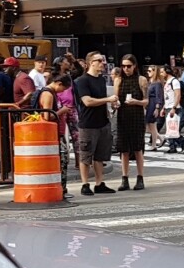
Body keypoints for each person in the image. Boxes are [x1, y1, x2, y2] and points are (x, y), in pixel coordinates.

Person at [72, 51, 119, 195]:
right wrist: (108, 100)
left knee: (101, 155)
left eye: (102, 60)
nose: (102, 63)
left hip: (102, 122)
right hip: (88, 123)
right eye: (99, 60)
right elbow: (87, 101)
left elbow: (101, 99)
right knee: (86, 155)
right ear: (91, 62)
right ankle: (85, 184)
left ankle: (99, 183)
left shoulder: (101, 80)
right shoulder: (82, 81)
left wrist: (112, 105)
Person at [33, 74, 74, 198]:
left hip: (55, 133)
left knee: (62, 159)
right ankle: (60, 189)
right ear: (58, 83)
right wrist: (62, 111)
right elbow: (47, 116)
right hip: (51, 134)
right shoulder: (48, 94)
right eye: (63, 89)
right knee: (62, 160)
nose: (62, 92)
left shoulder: (49, 92)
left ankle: (62, 189)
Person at [114, 54, 149, 191]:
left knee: (137, 147)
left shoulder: (141, 80)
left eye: (129, 66)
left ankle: (140, 177)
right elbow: (116, 98)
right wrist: (115, 104)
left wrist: (137, 102)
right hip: (123, 115)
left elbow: (146, 101)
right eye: (123, 66)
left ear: (134, 66)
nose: (126, 69)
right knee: (124, 149)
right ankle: (125, 178)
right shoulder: (119, 80)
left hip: (136, 115)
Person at [162, 67, 184, 153]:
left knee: (172, 127)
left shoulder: (174, 82)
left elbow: (178, 95)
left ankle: (175, 145)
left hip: (173, 107)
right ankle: (174, 145)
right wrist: (163, 107)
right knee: (170, 128)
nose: (161, 74)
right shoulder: (167, 82)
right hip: (168, 106)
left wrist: (174, 107)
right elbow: (167, 96)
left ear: (167, 72)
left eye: (162, 72)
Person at [145, 66, 165, 150]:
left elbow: (158, 96)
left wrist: (157, 108)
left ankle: (154, 145)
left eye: (149, 71)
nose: (147, 72)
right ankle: (160, 138)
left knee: (152, 125)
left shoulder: (157, 83)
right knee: (150, 125)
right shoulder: (151, 82)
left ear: (154, 71)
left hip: (153, 104)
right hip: (149, 104)